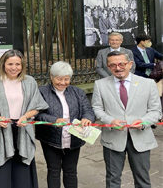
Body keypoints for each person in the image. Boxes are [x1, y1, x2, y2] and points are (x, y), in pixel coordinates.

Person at [0, 49, 48, 188]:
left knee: (22, 169)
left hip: (22, 127)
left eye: (18, 64)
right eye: (10, 64)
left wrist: (26, 116)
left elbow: (38, 105)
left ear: (22, 65)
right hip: (1, 128)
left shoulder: (29, 81)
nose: (14, 67)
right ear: (3, 64)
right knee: (1, 170)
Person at [92, 51, 162, 188]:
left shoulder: (148, 84)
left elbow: (156, 111)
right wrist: (110, 120)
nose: (118, 68)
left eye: (121, 64)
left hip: (141, 138)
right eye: (113, 65)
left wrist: (143, 122)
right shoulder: (100, 85)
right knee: (113, 179)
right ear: (108, 66)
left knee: (143, 179)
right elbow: (97, 108)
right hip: (113, 137)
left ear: (130, 64)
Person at [35, 61, 95, 188]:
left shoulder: (77, 92)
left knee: (71, 171)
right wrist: (54, 120)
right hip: (51, 139)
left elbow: (88, 110)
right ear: (51, 77)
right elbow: (37, 114)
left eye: (66, 79)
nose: (63, 83)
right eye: (59, 79)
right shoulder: (42, 92)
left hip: (74, 138)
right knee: (53, 171)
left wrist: (87, 118)